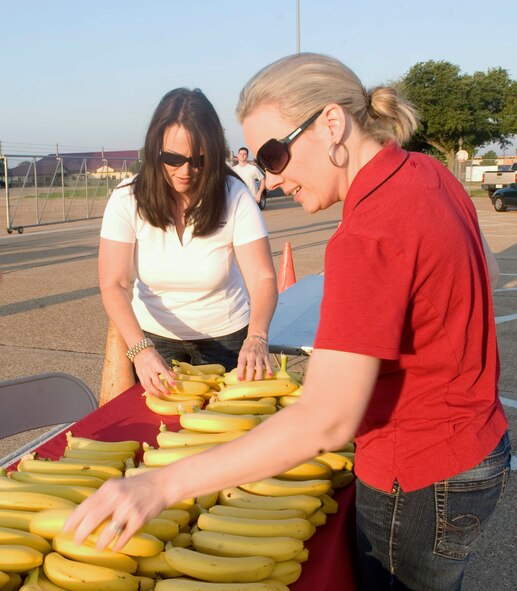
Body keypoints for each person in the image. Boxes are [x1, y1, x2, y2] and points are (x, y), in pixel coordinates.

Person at [66, 54, 510, 590]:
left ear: (331, 123)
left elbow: (326, 421)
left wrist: (158, 488)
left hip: (416, 472)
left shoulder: (367, 232)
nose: (271, 180)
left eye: (276, 155)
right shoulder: (426, 172)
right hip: (473, 449)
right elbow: (481, 272)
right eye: (260, 160)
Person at [97, 88, 277, 397]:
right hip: (154, 340)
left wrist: (257, 338)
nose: (186, 171)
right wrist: (140, 350)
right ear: (155, 149)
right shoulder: (127, 198)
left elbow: (263, 276)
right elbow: (113, 283)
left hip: (228, 339)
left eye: (199, 161)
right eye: (173, 159)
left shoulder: (234, 195)